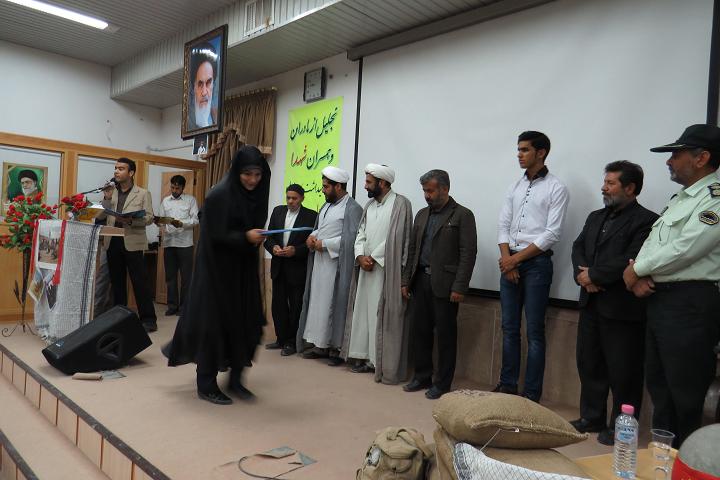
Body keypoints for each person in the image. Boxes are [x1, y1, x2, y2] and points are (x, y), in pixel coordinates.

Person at [623, 124, 720, 446]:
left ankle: (686, 461)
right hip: (661, 299)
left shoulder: (714, 198)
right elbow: (655, 244)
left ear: (701, 158)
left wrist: (638, 270)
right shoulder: (680, 199)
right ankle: (662, 457)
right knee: (660, 388)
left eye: (676, 154)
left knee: (686, 393)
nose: (669, 161)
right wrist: (639, 274)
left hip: (691, 303)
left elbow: (688, 247)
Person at [165, 146, 270, 405]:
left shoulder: (257, 194)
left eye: (258, 174)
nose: (253, 180)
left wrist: (255, 237)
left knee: (246, 323)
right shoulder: (219, 195)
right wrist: (245, 237)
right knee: (213, 326)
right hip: (216, 273)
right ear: (236, 171)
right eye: (247, 174)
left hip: (242, 272)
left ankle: (236, 380)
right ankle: (206, 384)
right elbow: (214, 235)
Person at [570, 161, 658, 446]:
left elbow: (632, 258)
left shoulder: (647, 220)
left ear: (630, 188)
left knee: (624, 371)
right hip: (591, 303)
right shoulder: (596, 216)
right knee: (589, 363)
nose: (603, 188)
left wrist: (594, 275)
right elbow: (578, 247)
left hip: (622, 308)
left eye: (610, 183)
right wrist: (583, 277)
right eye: (604, 182)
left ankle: (621, 427)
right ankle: (591, 417)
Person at [495, 131, 569, 403]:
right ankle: (507, 385)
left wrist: (515, 260)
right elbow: (503, 225)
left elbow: (552, 234)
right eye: (518, 149)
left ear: (541, 152)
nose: (519, 154)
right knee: (509, 328)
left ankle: (531, 393)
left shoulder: (556, 188)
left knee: (535, 331)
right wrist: (507, 260)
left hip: (536, 264)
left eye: (524, 150)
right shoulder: (515, 187)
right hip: (510, 261)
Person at [402, 170, 477, 399]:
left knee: (445, 336)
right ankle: (422, 376)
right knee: (420, 332)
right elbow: (412, 250)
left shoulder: (462, 215)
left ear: (445, 189)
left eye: (431, 191)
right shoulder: (422, 214)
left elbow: (468, 253)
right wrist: (405, 280)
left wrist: (460, 286)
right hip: (420, 280)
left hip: (446, 284)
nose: (427, 195)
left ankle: (442, 383)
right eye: (425, 191)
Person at [341, 164, 413, 384]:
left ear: (382, 183)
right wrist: (360, 256)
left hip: (384, 270)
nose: (365, 186)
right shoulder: (369, 205)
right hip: (366, 268)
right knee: (363, 313)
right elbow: (360, 233)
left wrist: (373, 257)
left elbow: (397, 237)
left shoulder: (400, 204)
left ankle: (378, 361)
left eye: (369, 182)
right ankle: (363, 357)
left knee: (378, 315)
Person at [296, 166, 363, 365]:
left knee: (333, 306)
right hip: (320, 265)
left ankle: (336, 350)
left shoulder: (352, 208)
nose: (323, 190)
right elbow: (321, 229)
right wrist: (312, 237)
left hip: (336, 267)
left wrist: (325, 244)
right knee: (318, 306)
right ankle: (320, 345)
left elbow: (351, 239)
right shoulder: (326, 206)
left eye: (326, 187)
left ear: (338, 186)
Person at [97, 158, 157, 332]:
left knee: (140, 283)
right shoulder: (111, 192)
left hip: (133, 242)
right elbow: (101, 216)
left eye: (121, 168)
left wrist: (131, 221)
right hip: (113, 240)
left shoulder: (143, 193)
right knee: (117, 283)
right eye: (115, 168)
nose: (116, 171)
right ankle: (119, 318)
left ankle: (148, 319)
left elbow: (149, 218)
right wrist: (106, 198)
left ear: (131, 173)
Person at [263, 184, 317, 356]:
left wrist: (296, 250)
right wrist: (274, 247)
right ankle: (280, 339)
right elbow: (269, 238)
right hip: (279, 266)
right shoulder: (278, 211)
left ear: (302, 198)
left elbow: (311, 244)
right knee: (278, 306)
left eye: (294, 198)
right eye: (288, 197)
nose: (291, 201)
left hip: (297, 268)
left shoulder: (311, 216)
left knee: (296, 306)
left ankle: (292, 342)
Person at [156, 175, 199, 316]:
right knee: (170, 277)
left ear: (183, 187)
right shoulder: (165, 201)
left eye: (177, 188)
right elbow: (162, 220)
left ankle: (184, 307)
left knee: (186, 278)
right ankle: (172, 306)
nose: (174, 190)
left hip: (185, 244)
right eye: (172, 187)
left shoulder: (191, 200)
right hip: (169, 243)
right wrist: (158, 222)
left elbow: (196, 220)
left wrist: (182, 224)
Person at [187, 42, 218, 131]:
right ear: (193, 88)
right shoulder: (189, 123)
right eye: (200, 84)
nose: (204, 92)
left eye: (208, 83)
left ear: (213, 84)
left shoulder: (215, 121)